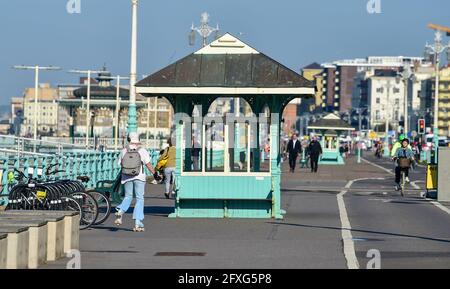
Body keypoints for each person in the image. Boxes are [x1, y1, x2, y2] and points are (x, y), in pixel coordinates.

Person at [115, 132, 157, 232]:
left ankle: (120, 211)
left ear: (129, 140)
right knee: (139, 199)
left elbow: (119, 164)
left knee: (128, 196)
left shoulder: (124, 150)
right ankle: (138, 222)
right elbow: (148, 164)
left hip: (126, 177)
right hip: (139, 177)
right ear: (138, 140)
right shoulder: (142, 151)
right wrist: (155, 174)